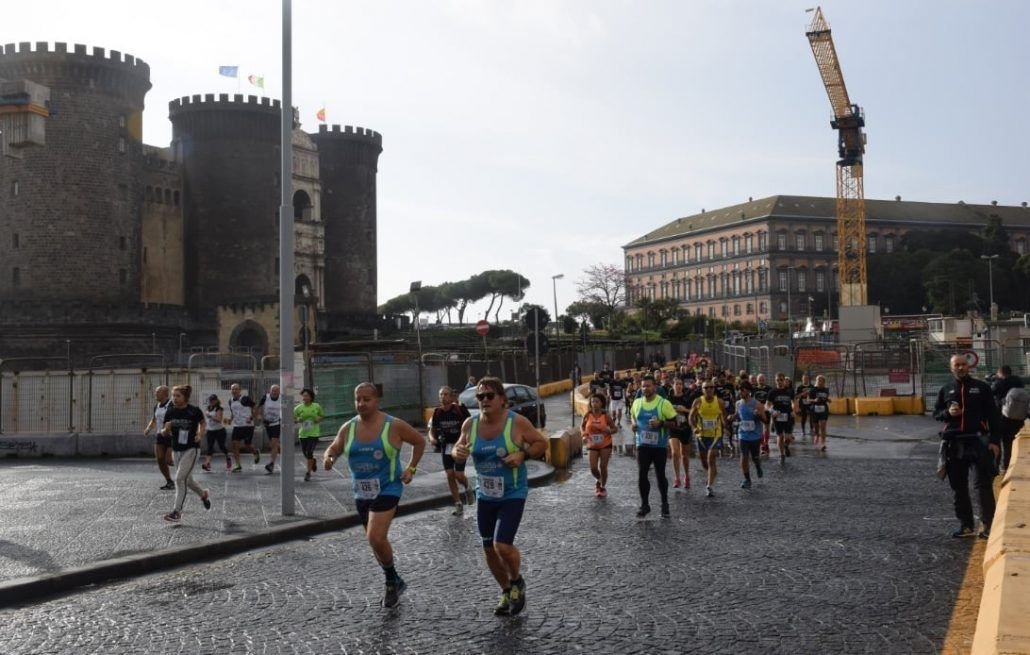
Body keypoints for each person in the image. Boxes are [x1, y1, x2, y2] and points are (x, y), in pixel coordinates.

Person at [452, 377, 548, 616]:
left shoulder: (516, 423)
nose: (484, 400)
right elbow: (457, 449)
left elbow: (541, 443)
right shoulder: (470, 425)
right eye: (480, 397)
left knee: (501, 545)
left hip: (512, 493)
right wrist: (458, 452)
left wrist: (522, 455)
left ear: (502, 400)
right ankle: (506, 591)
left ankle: (517, 581)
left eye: (489, 396)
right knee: (488, 549)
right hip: (485, 495)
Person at [323, 382, 425, 608]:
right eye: (357, 399)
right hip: (361, 491)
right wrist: (329, 458)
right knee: (375, 543)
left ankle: (390, 581)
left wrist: (411, 468)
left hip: (389, 487)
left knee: (375, 537)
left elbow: (419, 441)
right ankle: (395, 579)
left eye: (366, 399)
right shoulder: (348, 427)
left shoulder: (393, 425)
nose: (361, 404)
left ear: (377, 400)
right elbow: (334, 447)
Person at [934, 354, 1000, 539]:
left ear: (968, 366)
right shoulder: (946, 389)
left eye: (963, 364)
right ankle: (966, 525)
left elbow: (994, 416)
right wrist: (948, 412)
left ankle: (989, 526)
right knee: (958, 487)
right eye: (957, 365)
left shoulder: (982, 388)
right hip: (954, 443)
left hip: (978, 441)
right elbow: (936, 413)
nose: (961, 368)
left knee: (982, 485)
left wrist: (995, 441)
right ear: (951, 368)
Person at [160, 385, 211, 522]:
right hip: (176, 450)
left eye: (178, 396)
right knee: (187, 480)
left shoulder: (194, 411)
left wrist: (200, 434)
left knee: (179, 479)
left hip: (191, 449)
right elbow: (164, 432)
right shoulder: (170, 412)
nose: (175, 398)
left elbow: (203, 422)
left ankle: (177, 512)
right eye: (173, 396)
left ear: (185, 398)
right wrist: (166, 429)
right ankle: (203, 494)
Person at [630, 374, 678, 517]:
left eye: (648, 386)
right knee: (642, 474)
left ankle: (664, 504)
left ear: (654, 387)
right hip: (642, 444)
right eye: (643, 386)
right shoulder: (637, 402)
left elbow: (675, 423)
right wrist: (633, 424)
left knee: (660, 475)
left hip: (659, 446)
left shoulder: (663, 403)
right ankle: (645, 504)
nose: (645, 388)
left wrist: (661, 423)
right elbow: (633, 415)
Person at [429, 386, 473, 514]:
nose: (443, 397)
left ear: (451, 396)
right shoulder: (437, 412)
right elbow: (432, 430)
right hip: (446, 446)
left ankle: (467, 486)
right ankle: (458, 504)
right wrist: (432, 439)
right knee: (449, 475)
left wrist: (468, 439)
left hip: (459, 446)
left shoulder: (459, 410)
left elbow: (471, 424)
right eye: (441, 394)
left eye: (446, 394)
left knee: (459, 475)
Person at [689, 381, 728, 497]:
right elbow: (691, 417)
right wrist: (694, 427)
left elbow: (723, 416)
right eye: (706, 388)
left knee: (711, 458)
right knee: (704, 462)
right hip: (701, 435)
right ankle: (711, 472)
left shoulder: (720, 402)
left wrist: (726, 425)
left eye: (711, 387)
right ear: (702, 389)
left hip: (716, 435)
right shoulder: (698, 401)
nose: (709, 389)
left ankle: (709, 486)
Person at [992, 365, 1027, 472]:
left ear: (1001, 372)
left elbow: (991, 392)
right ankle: (1009, 465)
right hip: (1018, 418)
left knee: (1000, 443)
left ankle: (1001, 467)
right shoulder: (1019, 382)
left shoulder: (1000, 382)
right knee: (1010, 442)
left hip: (1003, 417)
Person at [581, 393, 616, 497]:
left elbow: (615, 429)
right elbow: (582, 427)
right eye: (592, 402)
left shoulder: (606, 416)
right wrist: (584, 435)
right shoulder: (587, 415)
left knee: (603, 466)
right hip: (592, 444)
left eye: (597, 402)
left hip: (605, 444)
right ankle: (599, 479)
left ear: (601, 403)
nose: (594, 404)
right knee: (593, 468)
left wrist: (608, 430)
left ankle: (602, 487)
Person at [733, 381, 766, 489]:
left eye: (742, 389)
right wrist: (732, 417)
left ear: (748, 390)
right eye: (738, 389)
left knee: (755, 457)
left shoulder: (757, 404)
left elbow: (766, 421)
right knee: (744, 456)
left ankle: (758, 465)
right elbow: (738, 416)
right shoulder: (738, 404)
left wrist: (759, 416)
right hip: (743, 435)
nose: (740, 392)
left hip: (755, 436)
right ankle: (747, 479)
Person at [143, 385, 176, 490]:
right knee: (160, 459)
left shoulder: (172, 405)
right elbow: (154, 419)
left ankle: (184, 469)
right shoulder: (156, 406)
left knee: (168, 460)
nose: (155, 394)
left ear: (165, 393)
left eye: (158, 392)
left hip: (171, 435)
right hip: (159, 435)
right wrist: (148, 428)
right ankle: (169, 481)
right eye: (156, 392)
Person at [667, 377, 695, 490]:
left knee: (685, 456)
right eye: (676, 384)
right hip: (673, 428)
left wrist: (684, 410)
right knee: (674, 453)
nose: (678, 386)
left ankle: (687, 476)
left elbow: (694, 411)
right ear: (672, 386)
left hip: (685, 428)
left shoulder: (687, 398)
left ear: (682, 386)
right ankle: (677, 477)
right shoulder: (668, 399)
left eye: (680, 384)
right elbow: (663, 411)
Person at [227, 383, 259, 472]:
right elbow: (233, 412)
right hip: (237, 426)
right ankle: (238, 465)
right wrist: (230, 419)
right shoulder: (230, 401)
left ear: (240, 390)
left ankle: (255, 452)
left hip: (247, 425)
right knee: (234, 445)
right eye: (232, 389)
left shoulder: (245, 399)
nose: (234, 391)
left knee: (247, 445)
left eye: (236, 389)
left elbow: (256, 407)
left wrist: (252, 417)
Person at [767, 373, 797, 466]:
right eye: (778, 380)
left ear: (784, 381)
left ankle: (786, 446)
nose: (779, 382)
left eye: (781, 380)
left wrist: (793, 410)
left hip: (788, 415)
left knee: (788, 437)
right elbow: (767, 405)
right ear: (775, 381)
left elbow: (794, 402)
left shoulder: (789, 391)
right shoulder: (772, 392)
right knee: (780, 436)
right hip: (778, 417)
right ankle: (782, 454)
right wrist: (772, 411)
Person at [295, 388, 325, 481]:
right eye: (303, 396)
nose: (304, 397)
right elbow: (292, 418)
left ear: (311, 397)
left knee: (309, 452)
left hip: (314, 433)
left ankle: (308, 473)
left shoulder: (316, 406)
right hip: (303, 434)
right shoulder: (298, 408)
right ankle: (313, 461)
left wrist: (318, 419)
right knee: (306, 454)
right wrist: (297, 420)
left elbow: (322, 415)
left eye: (306, 396)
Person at [201, 393, 231, 472]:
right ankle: (207, 463)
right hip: (210, 431)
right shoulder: (208, 408)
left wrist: (210, 416)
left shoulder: (219, 409)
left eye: (213, 400)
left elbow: (219, 419)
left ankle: (228, 457)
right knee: (209, 447)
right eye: (210, 400)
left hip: (219, 431)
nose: (212, 402)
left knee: (221, 446)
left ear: (216, 401)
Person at [258, 384, 282, 474]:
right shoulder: (266, 397)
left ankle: (271, 464)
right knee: (273, 444)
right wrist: (259, 416)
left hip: (277, 423)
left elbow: (287, 408)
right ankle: (280, 450)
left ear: (279, 391)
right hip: (267, 423)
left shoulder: (282, 399)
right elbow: (258, 406)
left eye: (276, 390)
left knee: (273, 444)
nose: (274, 392)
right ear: (270, 391)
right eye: (273, 390)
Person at [809, 375, 831, 451]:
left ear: (824, 382)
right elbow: (808, 399)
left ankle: (823, 443)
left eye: (822, 381)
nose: (820, 382)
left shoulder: (826, 390)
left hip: (824, 409)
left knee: (823, 425)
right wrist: (814, 400)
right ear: (816, 381)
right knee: (816, 425)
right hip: (814, 409)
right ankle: (817, 434)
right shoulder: (813, 390)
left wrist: (828, 400)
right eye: (819, 380)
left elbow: (826, 398)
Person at [753, 374, 773, 456]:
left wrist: (769, 408)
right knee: (759, 428)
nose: (761, 381)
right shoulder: (754, 389)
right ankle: (762, 445)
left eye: (762, 379)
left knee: (766, 428)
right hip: (757, 410)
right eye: (759, 379)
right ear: (757, 380)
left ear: (765, 380)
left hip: (766, 410)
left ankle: (766, 442)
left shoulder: (769, 389)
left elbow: (771, 400)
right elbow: (752, 400)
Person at [795, 374, 814, 440]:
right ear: (802, 380)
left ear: (808, 379)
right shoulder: (800, 387)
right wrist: (802, 394)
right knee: (804, 417)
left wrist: (810, 395)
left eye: (807, 378)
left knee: (812, 416)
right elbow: (796, 396)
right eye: (804, 379)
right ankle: (803, 430)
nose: (805, 380)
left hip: (810, 403)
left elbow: (814, 395)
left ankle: (812, 429)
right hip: (803, 403)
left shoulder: (812, 386)